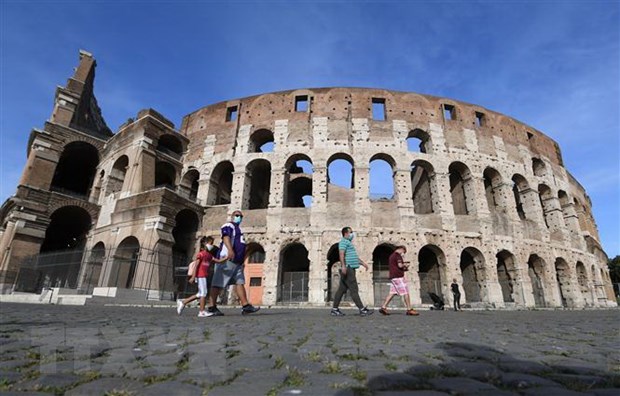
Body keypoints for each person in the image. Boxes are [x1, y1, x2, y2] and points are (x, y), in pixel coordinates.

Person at [207, 210, 260, 316]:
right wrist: (230, 250)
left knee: (240, 283)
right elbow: (226, 237)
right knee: (218, 283)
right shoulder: (229, 225)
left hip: (238, 262)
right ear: (232, 216)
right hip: (228, 259)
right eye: (237, 215)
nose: (239, 217)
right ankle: (211, 307)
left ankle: (246, 306)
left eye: (240, 216)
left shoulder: (238, 229)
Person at [331, 227, 373, 316]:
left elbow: (353, 256)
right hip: (348, 268)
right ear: (346, 233)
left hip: (350, 267)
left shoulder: (348, 242)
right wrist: (343, 266)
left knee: (341, 289)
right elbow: (341, 254)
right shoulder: (343, 242)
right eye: (351, 232)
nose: (352, 234)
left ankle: (334, 309)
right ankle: (362, 309)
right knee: (354, 289)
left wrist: (362, 263)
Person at [177, 236, 223, 317]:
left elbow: (218, 261)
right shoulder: (201, 254)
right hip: (200, 275)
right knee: (203, 293)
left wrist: (227, 257)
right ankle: (201, 312)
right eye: (210, 243)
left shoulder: (209, 255)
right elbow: (196, 266)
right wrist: (193, 277)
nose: (212, 245)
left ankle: (183, 302)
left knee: (200, 294)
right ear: (205, 243)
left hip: (204, 276)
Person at [378, 246, 419, 316]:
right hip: (398, 277)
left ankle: (383, 307)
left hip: (393, 277)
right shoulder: (397, 256)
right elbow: (400, 265)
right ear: (401, 249)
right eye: (404, 252)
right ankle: (409, 309)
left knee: (392, 293)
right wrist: (405, 265)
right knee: (406, 292)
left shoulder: (391, 256)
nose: (403, 254)